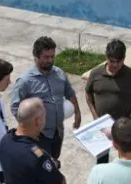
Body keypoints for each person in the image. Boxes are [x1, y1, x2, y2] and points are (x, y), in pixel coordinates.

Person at [10, 36, 81, 169]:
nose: (50, 60)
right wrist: (28, 129)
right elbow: (15, 107)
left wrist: (77, 113)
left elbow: (70, 93)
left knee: (54, 157)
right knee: (40, 165)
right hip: (39, 135)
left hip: (58, 131)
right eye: (46, 57)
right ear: (36, 56)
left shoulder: (59, 74)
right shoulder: (25, 81)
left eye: (52, 56)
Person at [85, 39, 131, 164]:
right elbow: (88, 93)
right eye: (112, 61)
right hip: (101, 125)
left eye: (119, 61)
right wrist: (95, 117)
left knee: (125, 159)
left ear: (124, 59)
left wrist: (130, 117)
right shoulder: (95, 74)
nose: (115, 65)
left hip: (124, 126)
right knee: (101, 159)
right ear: (106, 57)